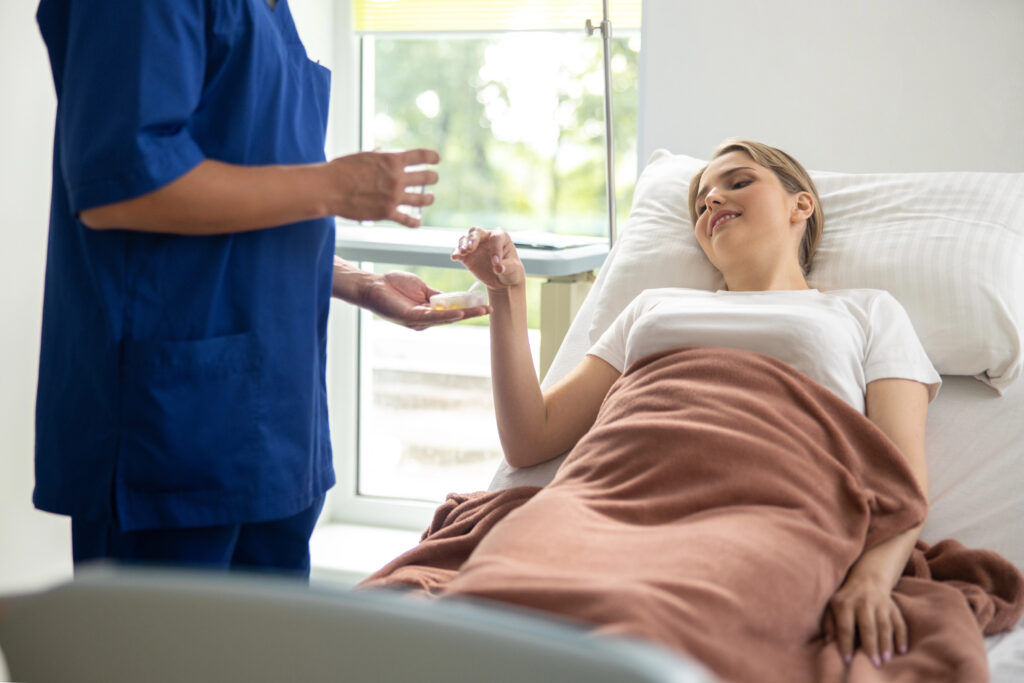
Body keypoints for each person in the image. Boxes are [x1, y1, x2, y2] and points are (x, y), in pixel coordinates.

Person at [32, 0, 488, 579]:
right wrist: (332, 185)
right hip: (172, 425)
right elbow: (120, 185)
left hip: (275, 422)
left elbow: (250, 194)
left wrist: (359, 281)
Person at [449, 139, 941, 669]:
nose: (711, 201)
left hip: (772, 507)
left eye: (738, 182)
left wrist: (871, 580)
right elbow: (530, 438)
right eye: (701, 200)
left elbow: (901, 474)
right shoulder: (654, 306)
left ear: (802, 206)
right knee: (489, 611)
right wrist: (508, 294)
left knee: (669, 630)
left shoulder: (866, 311)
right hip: (605, 493)